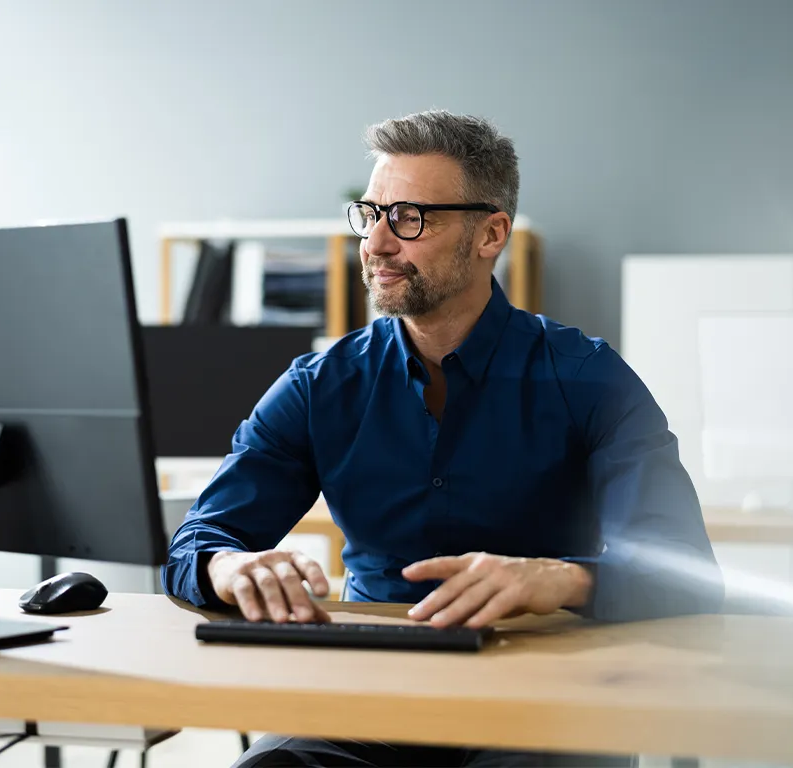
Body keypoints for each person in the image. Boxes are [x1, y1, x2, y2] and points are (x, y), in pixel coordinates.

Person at [163, 109, 724, 767]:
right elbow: (197, 543)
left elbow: (686, 575)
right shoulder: (319, 385)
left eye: (409, 219)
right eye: (371, 214)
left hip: (546, 694)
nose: (376, 243)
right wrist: (229, 566)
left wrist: (562, 579)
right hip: (371, 697)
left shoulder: (589, 378)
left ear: (490, 234)